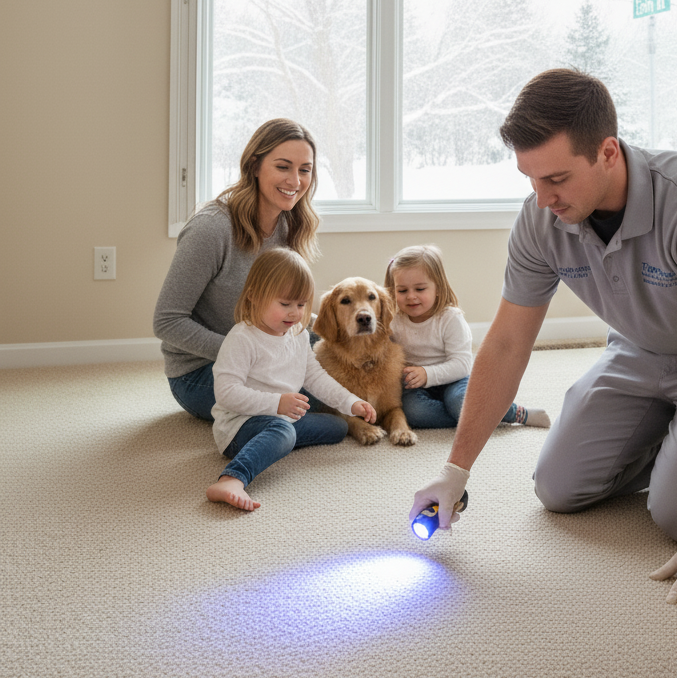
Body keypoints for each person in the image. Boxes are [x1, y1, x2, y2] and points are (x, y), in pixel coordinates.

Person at [410, 69, 677, 611]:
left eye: (556, 179)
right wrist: (454, 471)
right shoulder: (540, 219)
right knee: (557, 489)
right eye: (530, 179)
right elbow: (506, 345)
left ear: (607, 152)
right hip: (638, 348)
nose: (542, 198)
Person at [154, 118, 327, 424]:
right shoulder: (211, 229)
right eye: (283, 167)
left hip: (267, 354)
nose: (295, 181)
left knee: (350, 365)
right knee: (316, 403)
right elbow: (167, 322)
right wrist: (249, 354)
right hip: (201, 371)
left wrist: (337, 328)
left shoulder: (289, 226)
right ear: (254, 166)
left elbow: (286, 308)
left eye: (305, 169)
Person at [206, 248, 376, 511]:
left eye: (301, 304)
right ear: (254, 296)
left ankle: (275, 444)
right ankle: (232, 478)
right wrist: (277, 403)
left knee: (337, 428)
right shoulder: (242, 338)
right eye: (285, 304)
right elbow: (226, 393)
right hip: (240, 425)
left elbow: (315, 376)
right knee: (283, 431)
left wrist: (351, 402)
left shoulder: (297, 334)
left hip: (283, 416)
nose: (295, 313)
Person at [385, 244, 550, 430]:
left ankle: (513, 412)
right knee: (415, 414)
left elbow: (462, 365)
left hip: (454, 379)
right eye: (402, 291)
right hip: (414, 385)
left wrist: (427, 374)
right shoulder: (394, 321)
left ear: (438, 288)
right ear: (392, 291)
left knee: (459, 403)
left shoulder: (450, 318)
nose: (411, 297)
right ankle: (476, 416)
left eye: (420, 289)